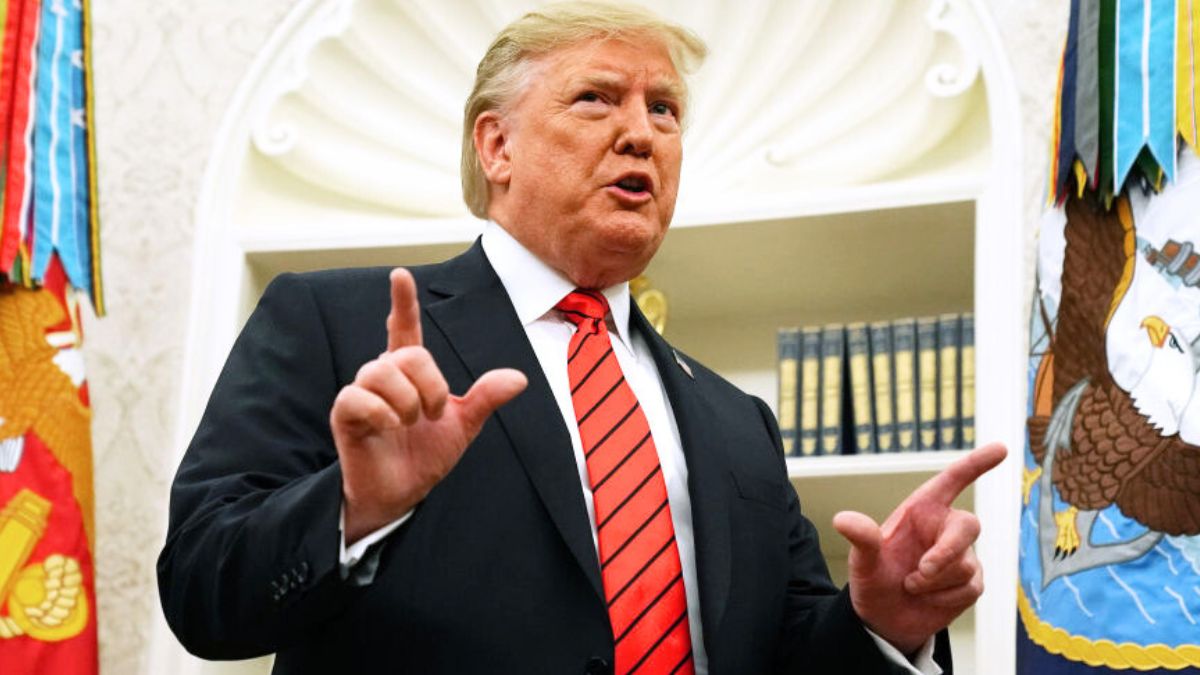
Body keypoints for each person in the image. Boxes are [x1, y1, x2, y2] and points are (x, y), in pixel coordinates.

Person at [158, 3, 1006, 673]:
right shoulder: (340, 324)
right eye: (598, 97)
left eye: (665, 109)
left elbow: (787, 654)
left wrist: (881, 627)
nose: (642, 132)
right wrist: (354, 510)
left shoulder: (736, 422)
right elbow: (200, 591)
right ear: (497, 146)